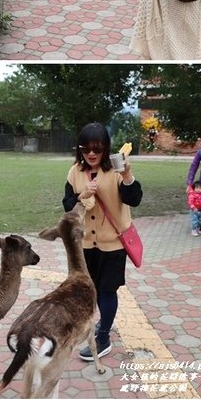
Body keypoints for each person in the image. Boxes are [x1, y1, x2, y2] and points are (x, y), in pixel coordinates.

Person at [62, 122, 142, 361]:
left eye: (97, 149)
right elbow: (67, 205)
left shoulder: (116, 170)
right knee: (92, 290)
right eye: (86, 149)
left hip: (113, 245)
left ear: (106, 149)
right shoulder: (74, 171)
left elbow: (134, 198)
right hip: (86, 244)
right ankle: (95, 326)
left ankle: (104, 336)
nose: (92, 154)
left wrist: (127, 175)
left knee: (107, 291)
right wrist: (81, 195)